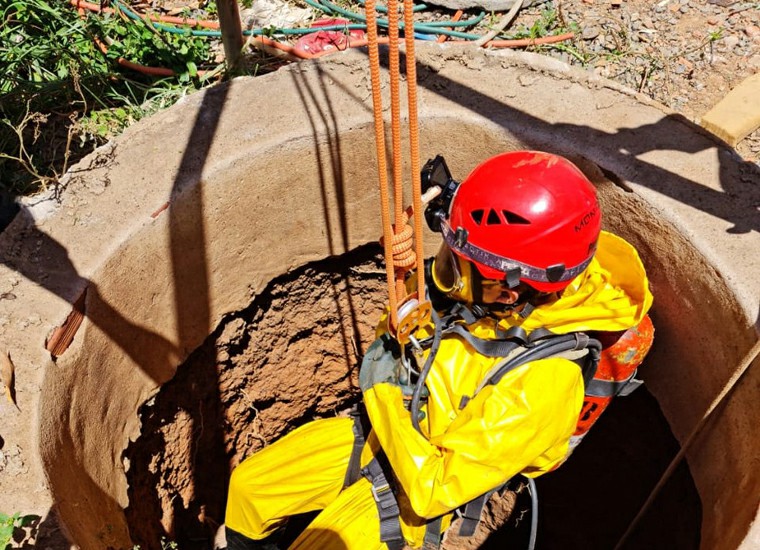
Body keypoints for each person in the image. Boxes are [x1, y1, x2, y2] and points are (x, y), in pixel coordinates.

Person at [223, 150, 654, 550]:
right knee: (250, 490)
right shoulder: (500, 290)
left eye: (459, 267)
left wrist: (383, 386)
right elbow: (421, 336)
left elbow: (432, 490)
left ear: (509, 289)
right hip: (394, 426)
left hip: (422, 480)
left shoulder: (545, 386)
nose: (446, 275)